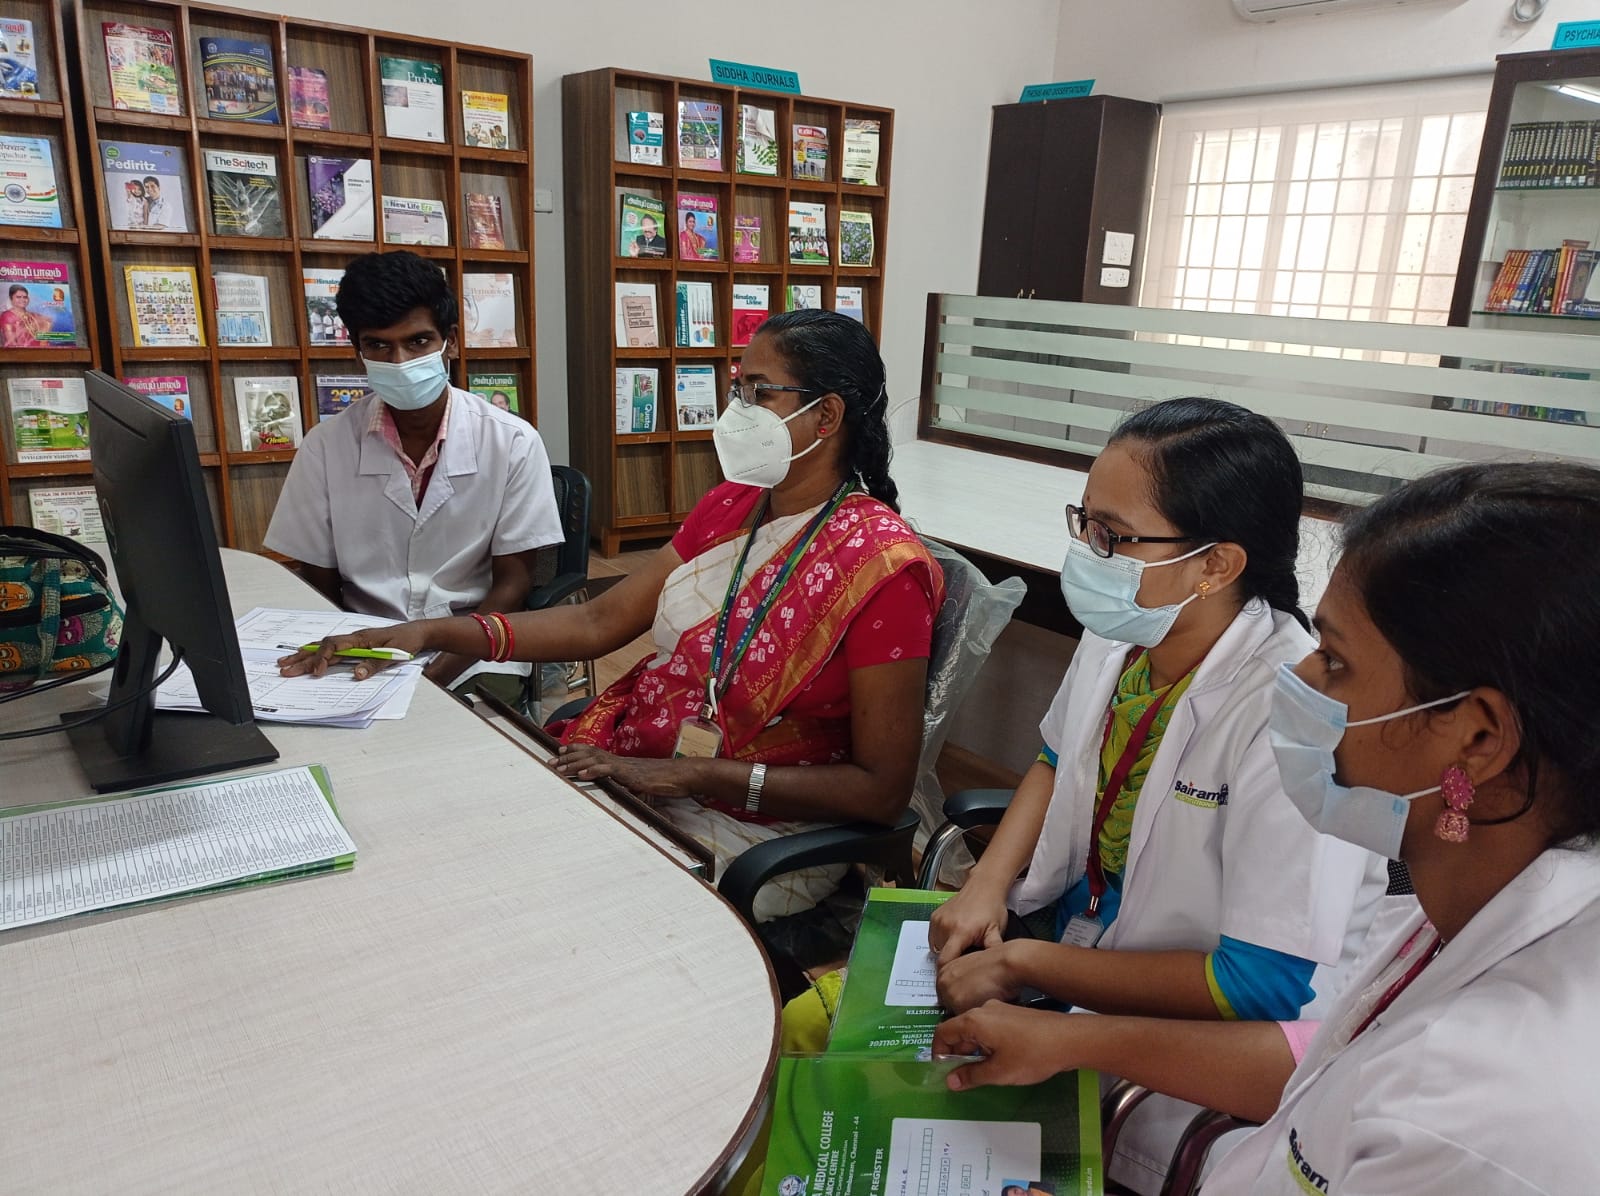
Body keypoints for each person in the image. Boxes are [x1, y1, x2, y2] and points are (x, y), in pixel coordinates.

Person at [934, 460, 1600, 1193]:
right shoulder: (1469, 900)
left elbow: (1320, 1048)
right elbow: (1329, 1054)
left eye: (1335, 661)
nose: (1302, 679)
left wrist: (1055, 1005)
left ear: (1477, 739)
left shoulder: (1477, 1116)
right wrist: (1073, 1038)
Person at [281, 310, 944, 922]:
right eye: (736, 388)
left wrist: (691, 774)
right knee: (484, 841)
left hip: (765, 823)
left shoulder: (882, 569)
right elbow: (599, 623)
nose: (736, 410)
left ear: (826, 415)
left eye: (758, 393)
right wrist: (429, 632)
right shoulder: (734, 505)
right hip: (653, 768)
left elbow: (879, 791)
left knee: (545, 900)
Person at [927, 397, 1384, 1193]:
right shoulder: (1131, 628)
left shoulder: (1289, 710)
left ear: (1216, 565)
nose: (1088, 553)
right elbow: (1055, 755)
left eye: (1113, 535)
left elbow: (1258, 983)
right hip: (1072, 953)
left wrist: (1030, 963)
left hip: (1184, 1038)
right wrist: (988, 884)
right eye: (1085, 523)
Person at [263, 250, 562, 688]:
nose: (400, 362)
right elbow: (319, 581)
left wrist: (432, 678)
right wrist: (354, 650)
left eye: (418, 342)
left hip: (471, 651)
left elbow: (512, 586)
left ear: (451, 341)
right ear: (358, 352)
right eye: (379, 346)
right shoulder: (324, 446)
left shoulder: (513, 442)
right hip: (360, 646)